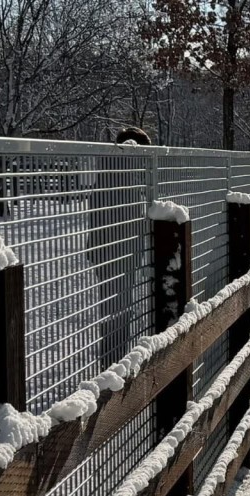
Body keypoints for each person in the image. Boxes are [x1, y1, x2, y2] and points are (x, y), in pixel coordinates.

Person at [88, 127, 152, 369]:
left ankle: (115, 358)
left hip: (108, 250)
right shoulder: (123, 177)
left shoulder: (108, 171)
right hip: (118, 251)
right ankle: (114, 362)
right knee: (118, 308)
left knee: (116, 306)